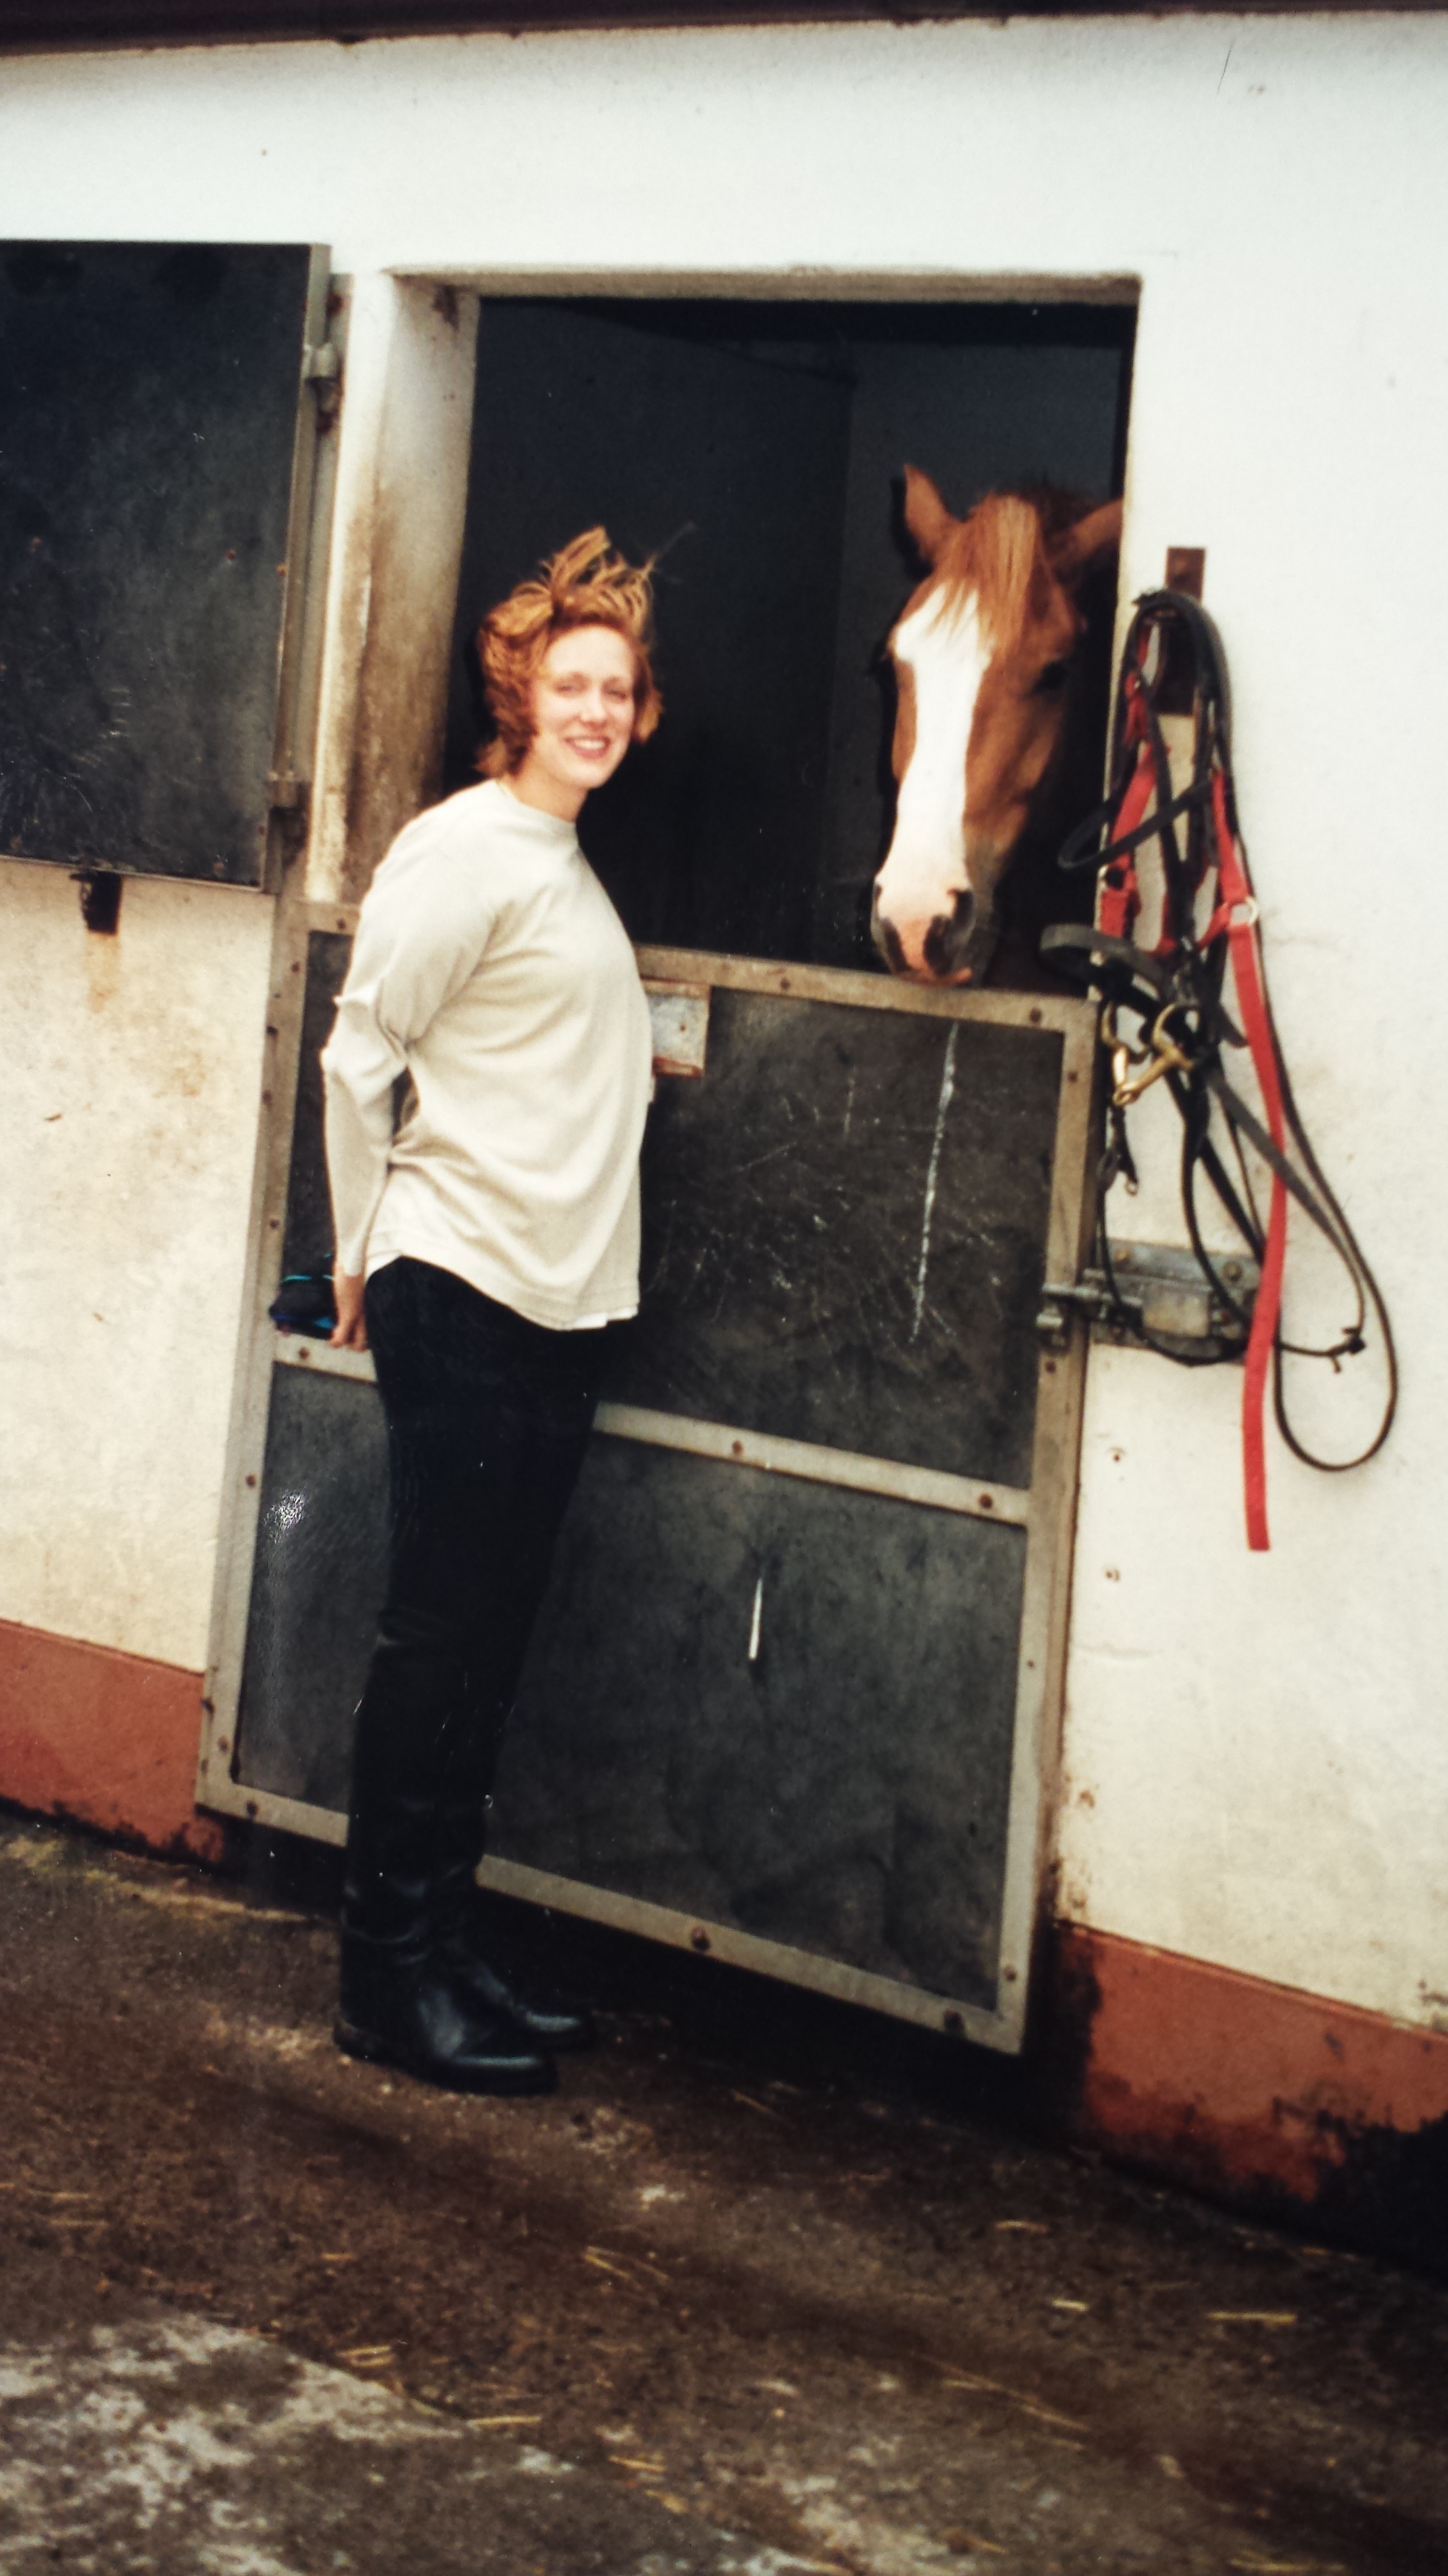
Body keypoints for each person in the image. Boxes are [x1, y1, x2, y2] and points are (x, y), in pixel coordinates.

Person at [320, 527, 660, 2097]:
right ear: (519, 692)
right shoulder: (465, 847)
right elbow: (356, 1052)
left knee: (491, 1639)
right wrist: (352, 1249)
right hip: (457, 1280)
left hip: (558, 1299)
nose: (593, 708)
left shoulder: (563, 863)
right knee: (441, 1631)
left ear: (639, 715)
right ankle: (386, 1982)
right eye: (569, 683)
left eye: (619, 689)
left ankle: (447, 1951)